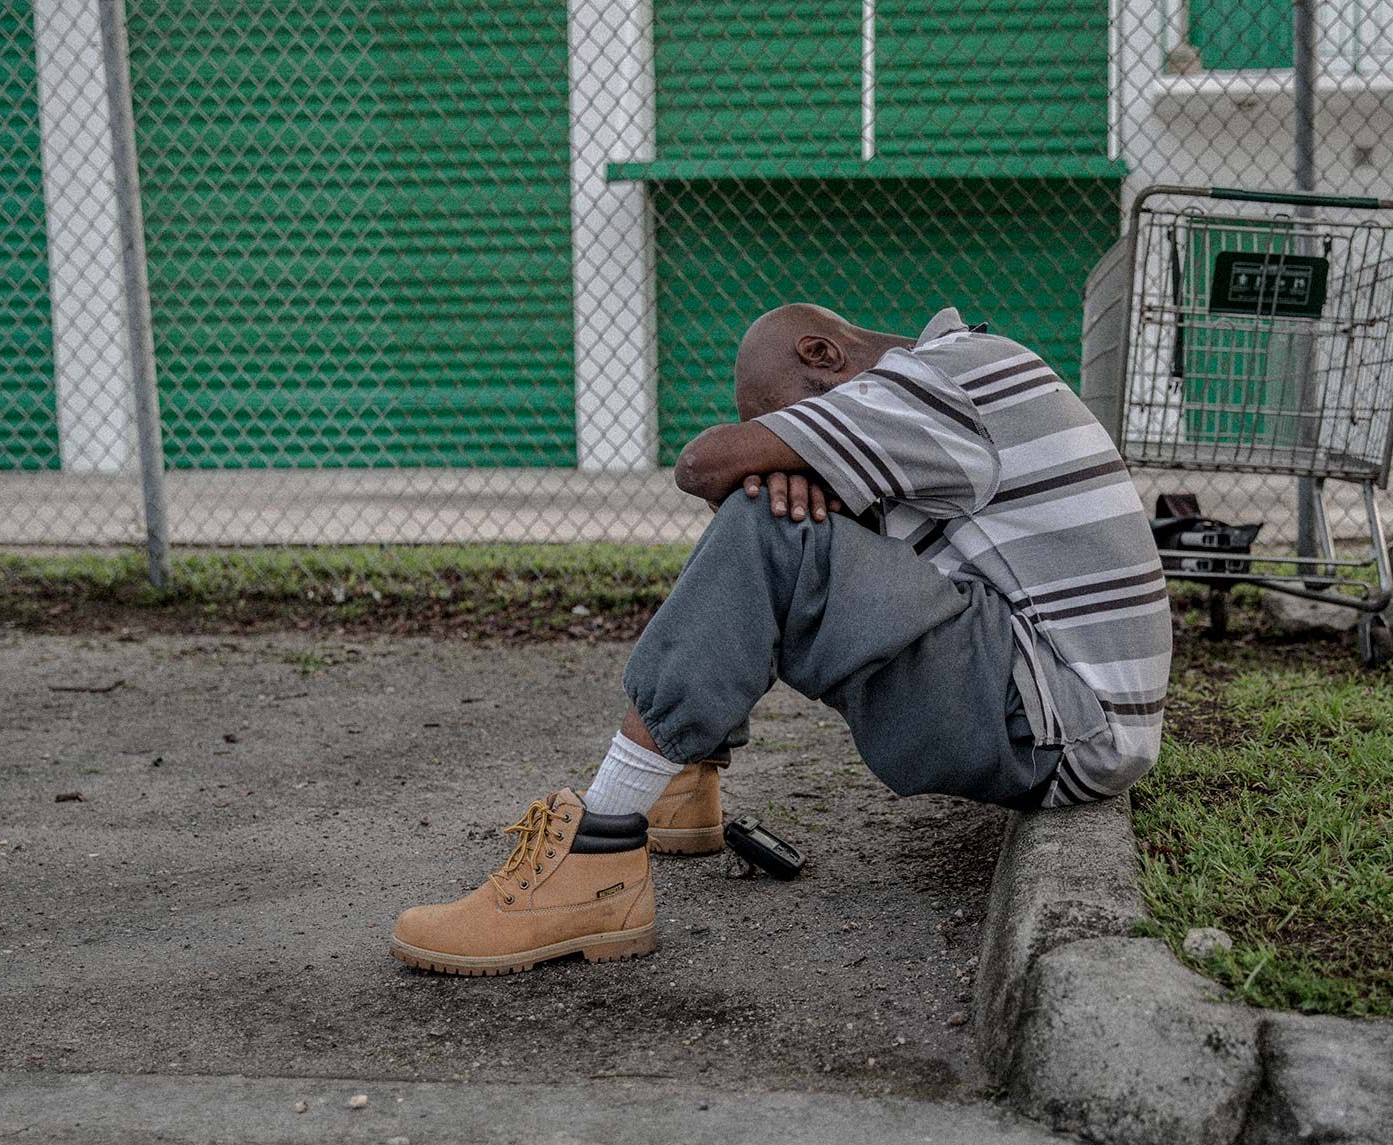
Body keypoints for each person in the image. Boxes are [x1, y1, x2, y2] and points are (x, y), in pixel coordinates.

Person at [389, 305, 1172, 976]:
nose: (785, 438)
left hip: (1060, 730)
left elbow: (705, 462)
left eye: (784, 416)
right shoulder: (960, 376)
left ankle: (595, 859)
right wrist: (781, 470)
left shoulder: (948, 373)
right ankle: (674, 781)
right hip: (1058, 716)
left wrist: (759, 462)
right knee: (778, 518)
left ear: (824, 356)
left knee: (771, 524)